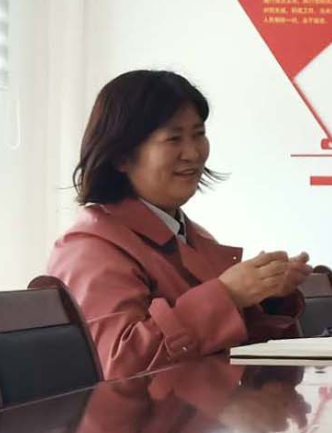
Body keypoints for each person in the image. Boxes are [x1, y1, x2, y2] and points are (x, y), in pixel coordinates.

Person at [47, 70, 313, 380]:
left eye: (199, 134)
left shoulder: (191, 234)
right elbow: (117, 365)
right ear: (121, 157)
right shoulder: (90, 248)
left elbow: (230, 347)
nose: (193, 153)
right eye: (173, 139)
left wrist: (267, 294)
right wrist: (228, 296)